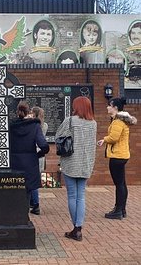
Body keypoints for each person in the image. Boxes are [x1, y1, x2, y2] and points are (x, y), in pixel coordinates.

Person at [55, 96, 97, 241]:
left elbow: (58, 136)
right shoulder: (93, 123)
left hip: (71, 162)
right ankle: (79, 227)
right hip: (85, 163)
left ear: (76, 106)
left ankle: (76, 228)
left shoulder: (70, 121)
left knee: (72, 195)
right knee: (81, 196)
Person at [97, 97, 137, 220]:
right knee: (122, 183)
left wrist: (104, 140)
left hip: (117, 156)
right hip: (121, 155)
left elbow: (114, 137)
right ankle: (121, 209)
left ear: (115, 107)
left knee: (119, 184)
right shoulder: (119, 120)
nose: (107, 107)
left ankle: (118, 210)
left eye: (109, 105)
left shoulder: (118, 122)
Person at [9, 101, 50, 215]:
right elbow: (44, 146)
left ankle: (14, 218)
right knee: (27, 192)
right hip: (29, 163)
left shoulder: (10, 126)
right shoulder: (35, 126)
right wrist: (38, 155)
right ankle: (24, 219)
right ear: (28, 112)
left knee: (14, 192)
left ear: (17, 112)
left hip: (13, 163)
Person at [29, 107, 48, 215]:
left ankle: (35, 203)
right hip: (41, 153)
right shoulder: (44, 125)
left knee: (32, 181)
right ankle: (33, 202)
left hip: (34, 153)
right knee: (35, 178)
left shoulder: (33, 125)